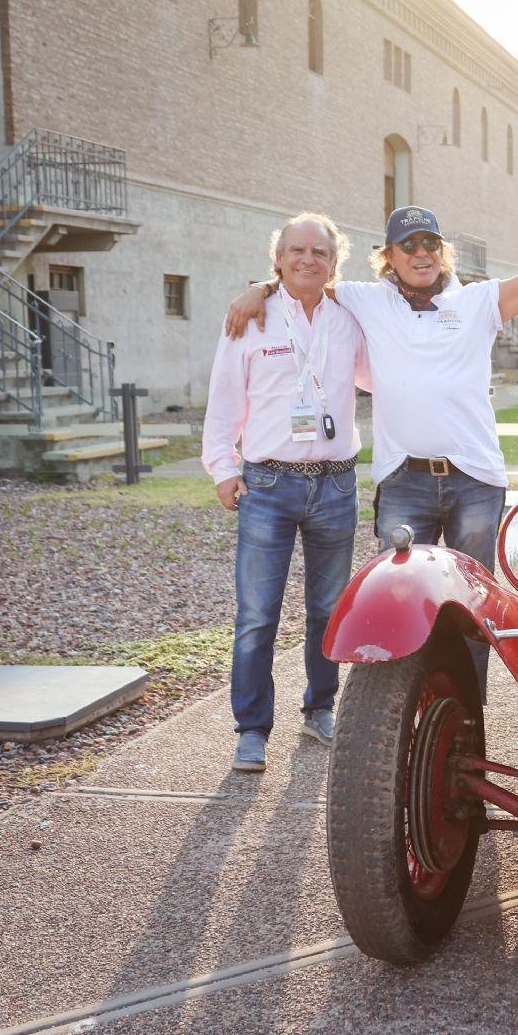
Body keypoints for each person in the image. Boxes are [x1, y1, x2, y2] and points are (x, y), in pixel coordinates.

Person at [226, 200, 518, 690]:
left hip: (475, 481)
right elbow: (306, 277)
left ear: (442, 251)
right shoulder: (367, 299)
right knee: (398, 601)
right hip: (405, 481)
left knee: (474, 604)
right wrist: (260, 289)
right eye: (408, 245)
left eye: (430, 242)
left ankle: (467, 717)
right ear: (390, 256)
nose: (420, 252)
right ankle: (398, 714)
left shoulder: (477, 301)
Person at [203, 213, 368, 773]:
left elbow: (384, 374)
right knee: (257, 614)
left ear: (334, 263)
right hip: (267, 484)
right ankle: (252, 730)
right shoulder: (250, 317)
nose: (307, 259)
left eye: (319, 252)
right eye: (296, 250)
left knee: (328, 610)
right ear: (277, 259)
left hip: (336, 483)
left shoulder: (350, 318)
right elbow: (225, 397)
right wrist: (222, 467)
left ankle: (320, 708)